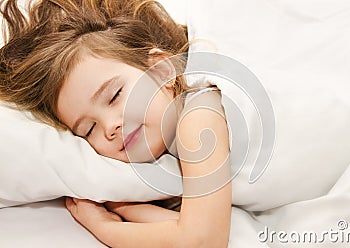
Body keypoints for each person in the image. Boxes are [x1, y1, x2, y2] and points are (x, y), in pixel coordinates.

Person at [0, 0, 232, 247]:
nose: (110, 126)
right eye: (89, 130)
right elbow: (187, 224)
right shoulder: (152, 164)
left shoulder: (198, 117)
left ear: (161, 70)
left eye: (114, 96)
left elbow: (203, 240)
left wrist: (104, 226)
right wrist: (123, 205)